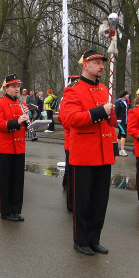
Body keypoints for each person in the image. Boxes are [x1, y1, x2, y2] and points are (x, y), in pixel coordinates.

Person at [60, 50, 117, 256]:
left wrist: (114, 147)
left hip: (103, 154)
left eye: (102, 62)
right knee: (83, 201)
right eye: (96, 62)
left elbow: (110, 125)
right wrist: (101, 112)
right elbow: (71, 120)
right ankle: (81, 240)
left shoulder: (104, 89)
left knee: (100, 201)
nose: (101, 66)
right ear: (85, 65)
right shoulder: (73, 91)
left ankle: (94, 239)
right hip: (84, 154)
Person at [0, 74, 29, 222]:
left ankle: (16, 210)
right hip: (5, 146)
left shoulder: (22, 103)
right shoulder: (0, 103)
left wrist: (27, 124)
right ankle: (6, 211)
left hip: (19, 146)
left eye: (18, 86)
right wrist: (17, 122)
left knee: (18, 180)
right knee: (6, 180)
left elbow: (23, 125)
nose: (16, 89)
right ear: (6, 88)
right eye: (13, 86)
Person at [59, 75, 80, 212]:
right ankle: (71, 203)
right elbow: (63, 119)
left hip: (81, 141)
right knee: (72, 172)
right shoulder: (67, 98)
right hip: (71, 139)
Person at [114, 90, 130, 156]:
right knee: (124, 134)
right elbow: (116, 112)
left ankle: (116, 149)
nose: (128, 95)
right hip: (120, 121)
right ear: (124, 95)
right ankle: (122, 150)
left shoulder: (126, 102)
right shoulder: (119, 102)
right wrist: (116, 120)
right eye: (127, 94)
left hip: (125, 120)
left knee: (120, 136)